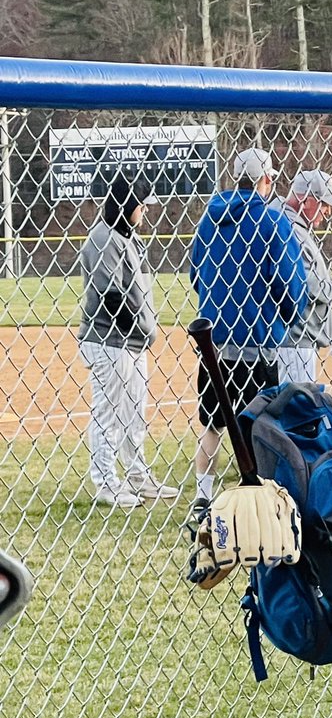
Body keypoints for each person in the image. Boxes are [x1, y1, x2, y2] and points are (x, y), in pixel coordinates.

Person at [187, 148, 307, 525]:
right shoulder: (271, 220)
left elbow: (195, 272)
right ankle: (259, 496)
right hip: (257, 339)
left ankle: (203, 496)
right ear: (266, 180)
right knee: (261, 424)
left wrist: (215, 304)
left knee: (212, 422)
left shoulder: (210, 217)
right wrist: (288, 315)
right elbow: (289, 281)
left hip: (215, 340)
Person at [78, 176, 177, 509]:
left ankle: (137, 475)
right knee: (108, 414)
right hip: (109, 341)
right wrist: (138, 324)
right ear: (126, 205)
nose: (144, 212)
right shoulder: (103, 238)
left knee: (135, 413)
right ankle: (106, 483)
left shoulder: (127, 236)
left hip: (130, 343)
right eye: (141, 207)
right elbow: (111, 296)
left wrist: (142, 331)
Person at [276, 168, 332, 384]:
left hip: (296, 337)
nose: (328, 211)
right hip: (294, 339)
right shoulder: (290, 228)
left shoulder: (291, 223)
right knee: (297, 401)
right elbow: (307, 285)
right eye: (324, 203)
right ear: (305, 200)